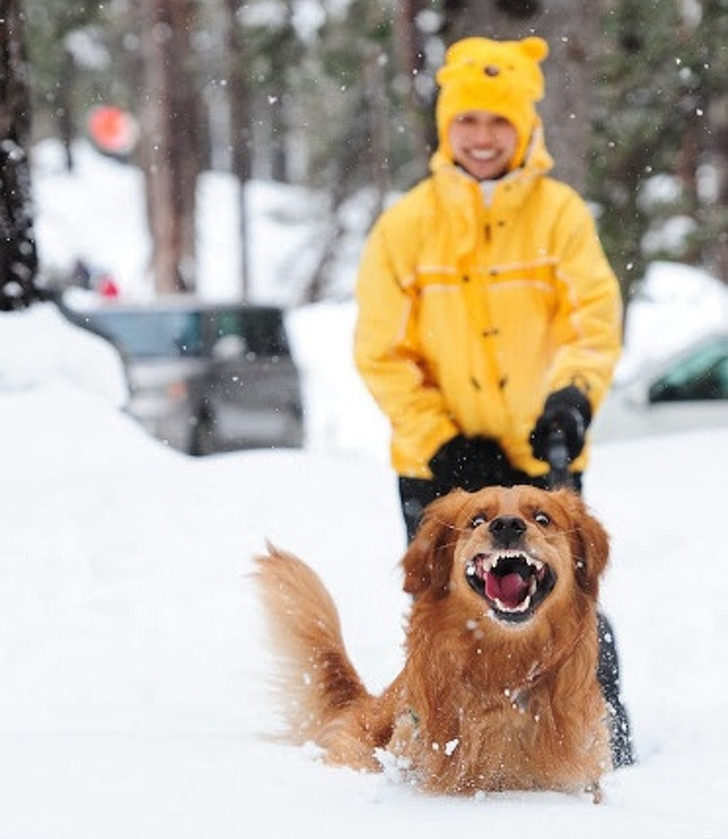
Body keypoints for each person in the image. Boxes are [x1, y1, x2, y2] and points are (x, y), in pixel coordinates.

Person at [354, 35, 634, 767]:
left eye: (498, 122)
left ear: (525, 127)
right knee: (443, 608)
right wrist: (443, 440)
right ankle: (439, 741)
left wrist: (572, 396)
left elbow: (593, 322)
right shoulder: (407, 225)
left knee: (567, 602)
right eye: (468, 122)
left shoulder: (560, 215)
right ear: (447, 130)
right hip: (435, 460)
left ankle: (595, 734)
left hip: (538, 456)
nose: (482, 138)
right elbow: (380, 351)